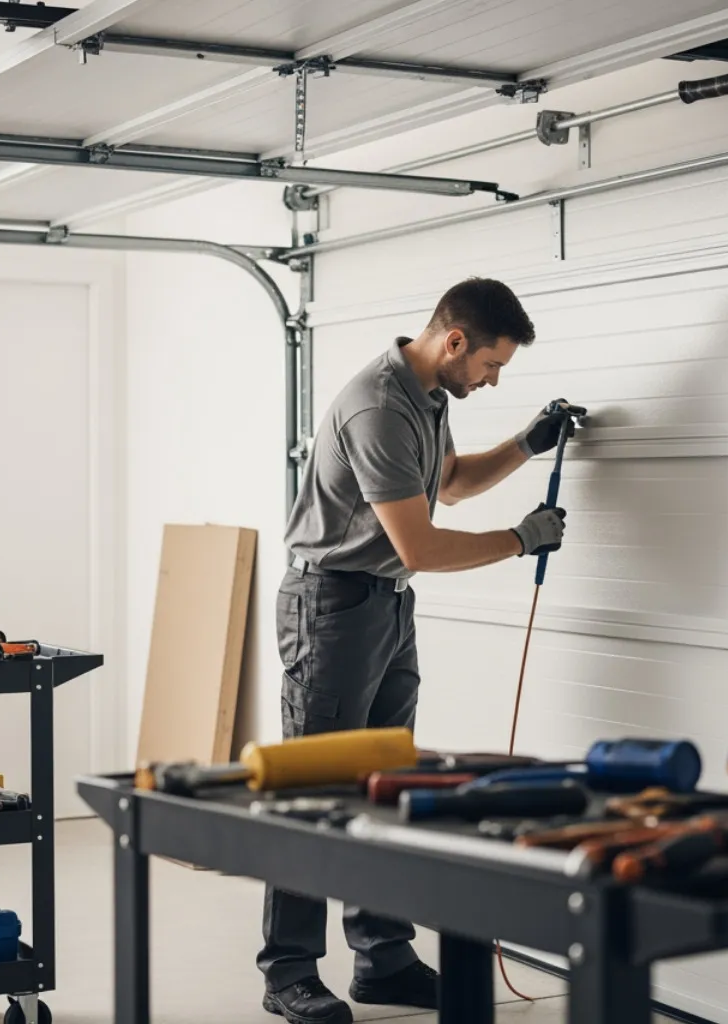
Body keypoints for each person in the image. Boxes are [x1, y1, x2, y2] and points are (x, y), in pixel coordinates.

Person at [259, 276, 580, 1024]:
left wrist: (527, 444)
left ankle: (384, 959)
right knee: (312, 791)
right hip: (332, 608)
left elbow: (454, 485)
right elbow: (421, 542)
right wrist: (519, 541)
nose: (492, 378)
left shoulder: (427, 396)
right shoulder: (378, 405)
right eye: (491, 365)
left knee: (383, 784)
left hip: (386, 606)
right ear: (455, 341)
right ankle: (288, 971)